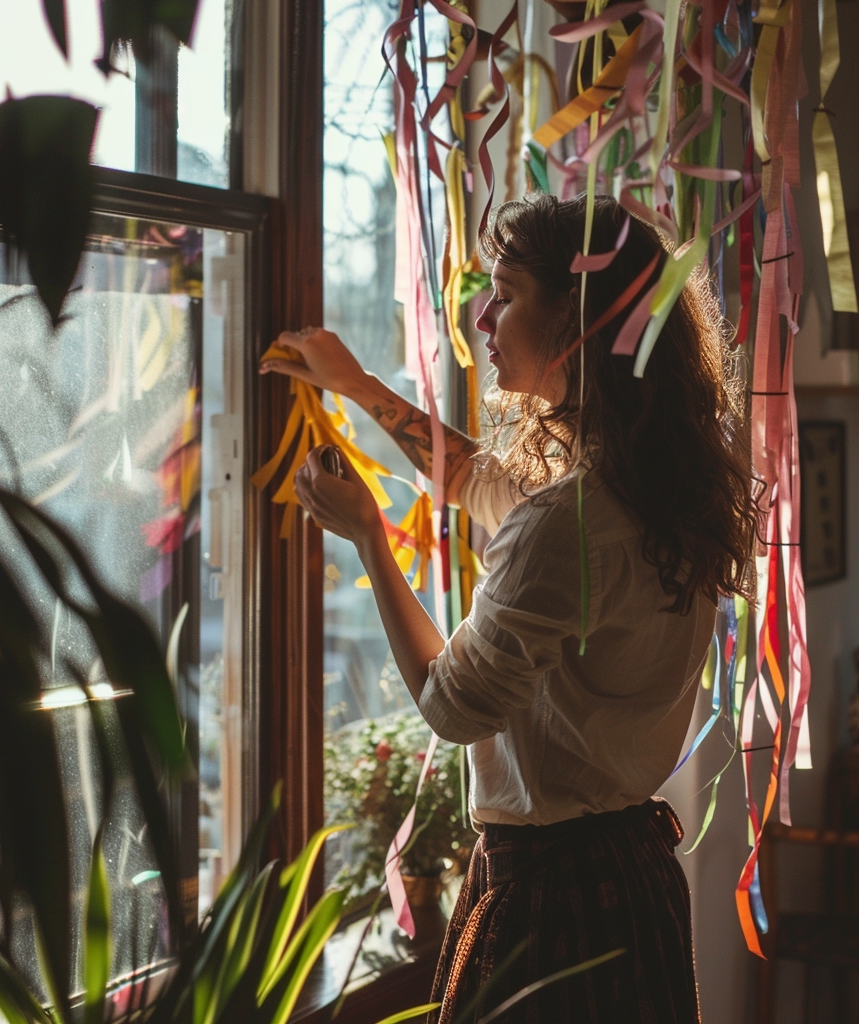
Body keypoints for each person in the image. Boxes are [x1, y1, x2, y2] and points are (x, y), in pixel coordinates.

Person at [259, 191, 759, 1024]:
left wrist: (370, 540)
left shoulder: (569, 522)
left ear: (576, 318)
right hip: (631, 880)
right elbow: (483, 486)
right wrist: (358, 387)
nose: (484, 317)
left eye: (507, 292)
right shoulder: (649, 487)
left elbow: (452, 705)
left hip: (554, 904)